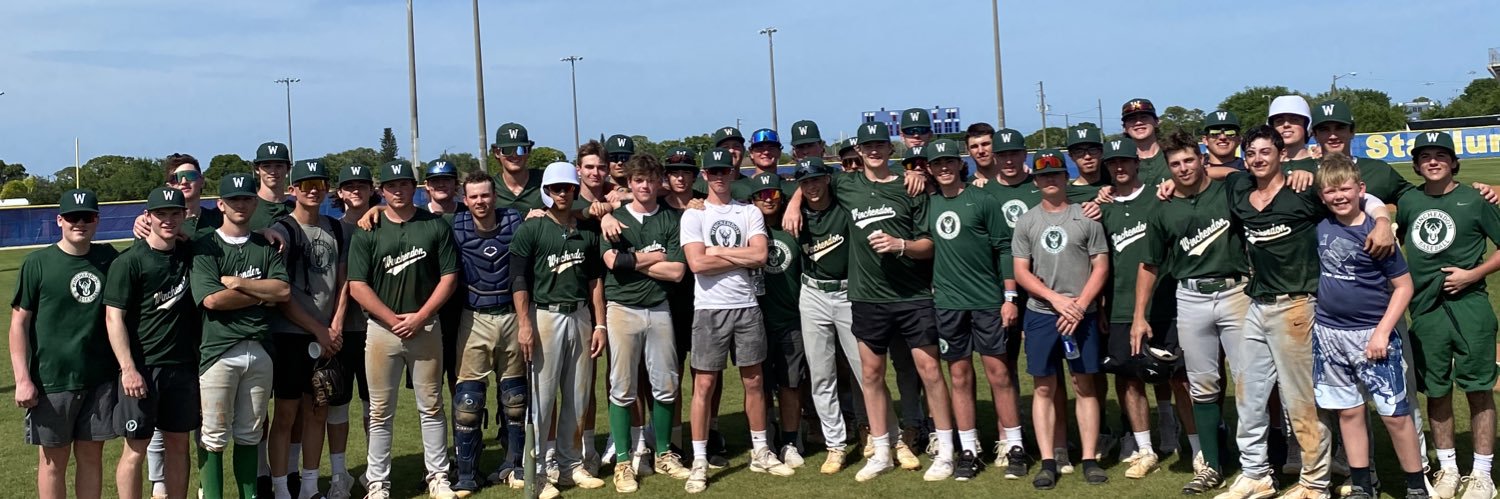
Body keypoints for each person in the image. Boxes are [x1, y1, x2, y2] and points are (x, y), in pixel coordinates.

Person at [1214, 125, 1393, 499]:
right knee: (1248, 393)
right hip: (1257, 303)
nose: (1258, 159)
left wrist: (1381, 221)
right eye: (1252, 154)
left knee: (1302, 400)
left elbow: (1363, 198)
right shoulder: (1240, 187)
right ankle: (1256, 473)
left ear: (1281, 154)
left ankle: (1315, 481)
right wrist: (1171, 180)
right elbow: (1214, 170)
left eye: (1266, 151)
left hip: (1296, 306)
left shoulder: (1303, 189)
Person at [784, 122, 950, 482]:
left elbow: (928, 243)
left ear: (890, 149)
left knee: (905, 372)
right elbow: (810, 178)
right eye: (867, 146)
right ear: (858, 152)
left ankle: (914, 443)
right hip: (845, 295)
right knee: (837, 374)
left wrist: (915, 179)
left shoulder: (908, 184)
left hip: (893, 293)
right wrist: (796, 202)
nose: (874, 150)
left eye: (880, 144)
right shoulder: (845, 182)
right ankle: (851, 446)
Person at [1133, 131, 1251, 495]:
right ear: (1167, 167)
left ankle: (1256, 465)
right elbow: (1149, 264)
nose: (1183, 168)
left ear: (1202, 158)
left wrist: (1209, 172)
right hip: (1191, 298)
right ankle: (1211, 465)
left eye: (1188, 160)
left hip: (1235, 292)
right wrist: (1140, 314)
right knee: (1201, 385)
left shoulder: (1227, 190)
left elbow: (1242, 175)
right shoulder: (1163, 207)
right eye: (1175, 164)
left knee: (1250, 383)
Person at [1309, 155, 1426, 499]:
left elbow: (1404, 287)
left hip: (1373, 335)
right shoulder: (1321, 225)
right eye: (1330, 191)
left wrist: (1381, 332)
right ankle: (1362, 484)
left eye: (1345, 188)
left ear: (1361, 190)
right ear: (1322, 197)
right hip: (1330, 334)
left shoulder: (1378, 234)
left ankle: (1416, 486)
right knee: (1349, 411)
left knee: (1395, 415)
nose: (1338, 196)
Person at [680, 148, 794, 493]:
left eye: (724, 171)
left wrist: (717, 252)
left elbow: (760, 255)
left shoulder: (749, 212)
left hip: (746, 305)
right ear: (704, 175)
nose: (719, 176)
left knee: (755, 381)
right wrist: (736, 258)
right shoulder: (694, 215)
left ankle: (761, 450)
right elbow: (697, 265)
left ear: (734, 173)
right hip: (709, 308)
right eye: (713, 171)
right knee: (704, 385)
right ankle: (699, 459)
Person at [346, 161, 461, 499]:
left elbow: (448, 277)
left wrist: (421, 314)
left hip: (425, 325)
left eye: (404, 184)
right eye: (391, 185)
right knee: (380, 410)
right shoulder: (368, 229)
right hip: (382, 329)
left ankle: (438, 476)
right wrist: (393, 319)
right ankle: (378, 482)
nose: (398, 190)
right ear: (382, 190)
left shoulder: (435, 225)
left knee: (432, 404)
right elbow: (357, 285)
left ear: (416, 187)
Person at [1396, 131, 1500, 499]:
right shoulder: (1409, 201)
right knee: (1437, 390)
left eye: (1441, 155)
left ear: (1454, 162)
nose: (1434, 161)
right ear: (1416, 165)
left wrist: (1474, 273)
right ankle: (1449, 468)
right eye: (1426, 156)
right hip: (1425, 310)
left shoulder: (1474, 198)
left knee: (1478, 388)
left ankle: (1483, 472)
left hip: (1471, 305)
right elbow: (1393, 241)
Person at [1095, 138, 1195, 479]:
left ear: (1137, 162)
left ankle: (1197, 450)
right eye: (1113, 163)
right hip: (1122, 305)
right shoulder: (1101, 208)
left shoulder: (1159, 195)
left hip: (1165, 302)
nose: (1119, 167)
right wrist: (1103, 305)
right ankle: (1145, 449)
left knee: (1181, 378)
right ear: (1107, 167)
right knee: (1127, 379)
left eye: (1125, 161)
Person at [1012, 150, 1111, 489]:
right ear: (1036, 181)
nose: (1050, 180)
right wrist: (1055, 300)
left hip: (1081, 315)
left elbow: (1101, 266)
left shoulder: (1086, 216)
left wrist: (1081, 305)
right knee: (1043, 386)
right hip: (1042, 315)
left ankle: (1089, 458)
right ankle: (1049, 460)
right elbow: (1021, 272)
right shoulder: (1027, 220)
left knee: (1084, 385)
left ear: (1064, 178)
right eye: (1043, 176)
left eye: (1055, 174)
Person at [11, 189, 118, 499]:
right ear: (60, 220)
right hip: (51, 380)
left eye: (88, 217)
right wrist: (22, 379)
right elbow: (18, 323)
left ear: (97, 220)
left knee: (91, 459)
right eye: (73, 217)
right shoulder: (38, 262)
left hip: (99, 379)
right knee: (52, 463)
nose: (80, 223)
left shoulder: (108, 258)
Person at [191, 173, 291, 499]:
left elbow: (284, 290)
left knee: (250, 433)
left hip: (260, 349)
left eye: (247, 198)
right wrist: (263, 295)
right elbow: (212, 300)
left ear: (255, 202)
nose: (241, 204)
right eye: (233, 199)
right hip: (219, 350)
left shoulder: (265, 243)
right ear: (220, 204)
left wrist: (239, 283)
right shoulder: (206, 245)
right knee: (214, 435)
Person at [511, 162, 608, 495]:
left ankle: (569, 465)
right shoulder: (532, 229)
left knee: (579, 395)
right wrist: (524, 323)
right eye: (555, 189)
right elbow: (519, 278)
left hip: (580, 314)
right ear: (546, 192)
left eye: (567, 188)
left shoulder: (587, 232)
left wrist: (601, 324)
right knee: (542, 397)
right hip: (545, 315)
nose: (562, 194)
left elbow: (595, 280)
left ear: (575, 190)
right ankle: (536, 470)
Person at [598, 155, 694, 492]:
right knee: (622, 387)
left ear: (658, 183)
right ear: (630, 183)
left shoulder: (671, 218)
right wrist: (654, 257)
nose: (644, 186)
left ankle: (665, 453)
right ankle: (624, 461)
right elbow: (612, 262)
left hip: (659, 306)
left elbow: (678, 271)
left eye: (650, 180)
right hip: (622, 308)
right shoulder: (615, 219)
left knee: (666, 384)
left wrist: (632, 261)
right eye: (638, 180)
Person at [924, 138, 1019, 482]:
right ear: (931, 169)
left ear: (959, 163)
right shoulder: (928, 205)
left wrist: (1009, 298)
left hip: (987, 302)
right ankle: (969, 449)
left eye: (949, 161)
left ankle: (1014, 445)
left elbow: (1004, 247)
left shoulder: (982, 199)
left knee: (999, 374)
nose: (944, 168)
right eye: (938, 164)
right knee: (960, 377)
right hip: (948, 305)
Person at [789, 156, 887, 475]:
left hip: (847, 291)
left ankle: (880, 435)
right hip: (813, 292)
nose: (812, 185)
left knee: (865, 370)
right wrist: (793, 203)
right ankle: (836, 444)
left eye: (816, 179)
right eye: (805, 181)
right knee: (821, 374)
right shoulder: (797, 213)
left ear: (827, 179)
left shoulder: (844, 205)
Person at [106, 186, 196, 499]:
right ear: (148, 217)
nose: (168, 220)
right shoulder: (130, 261)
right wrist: (128, 369)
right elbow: (113, 318)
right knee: (136, 448)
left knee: (178, 445)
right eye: (161, 214)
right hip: (143, 368)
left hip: (182, 367)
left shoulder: (189, 252)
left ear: (184, 215)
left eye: (174, 213)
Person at [265, 159, 348, 499]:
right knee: (286, 414)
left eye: (320, 184)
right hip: (291, 334)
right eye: (306, 185)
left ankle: (311, 487)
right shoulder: (282, 230)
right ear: (293, 190)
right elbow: (281, 294)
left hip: (327, 334)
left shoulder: (338, 228)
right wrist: (318, 329)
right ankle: (282, 488)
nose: (313, 190)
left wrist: (336, 322)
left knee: (318, 409)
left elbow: (344, 281)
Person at [449, 170, 529, 495]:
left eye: (486, 195)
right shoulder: (454, 227)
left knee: (515, 400)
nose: (480, 201)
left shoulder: (515, 221)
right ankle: (467, 472)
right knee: (468, 402)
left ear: (494, 196)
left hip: (510, 313)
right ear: (465, 200)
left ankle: (515, 464)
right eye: (474, 196)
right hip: (474, 315)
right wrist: (376, 209)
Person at [747, 171, 810, 471]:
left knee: (790, 383)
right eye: (761, 195)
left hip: (790, 318)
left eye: (773, 194)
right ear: (752, 200)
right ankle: (764, 441)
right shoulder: (747, 231)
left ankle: (789, 440)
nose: (767, 200)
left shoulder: (792, 227)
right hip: (755, 319)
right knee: (759, 385)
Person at [326, 163, 377, 499]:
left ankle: (375, 469)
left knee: (374, 403)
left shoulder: (384, 220)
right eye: (349, 185)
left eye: (362, 184)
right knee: (337, 402)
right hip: (343, 328)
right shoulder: (332, 227)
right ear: (340, 192)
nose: (355, 190)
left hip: (376, 326)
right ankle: (340, 473)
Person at [249, 141, 295, 230]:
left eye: (279, 166)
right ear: (257, 169)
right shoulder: (247, 207)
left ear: (288, 168)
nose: (273, 171)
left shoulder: (297, 209)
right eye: (267, 166)